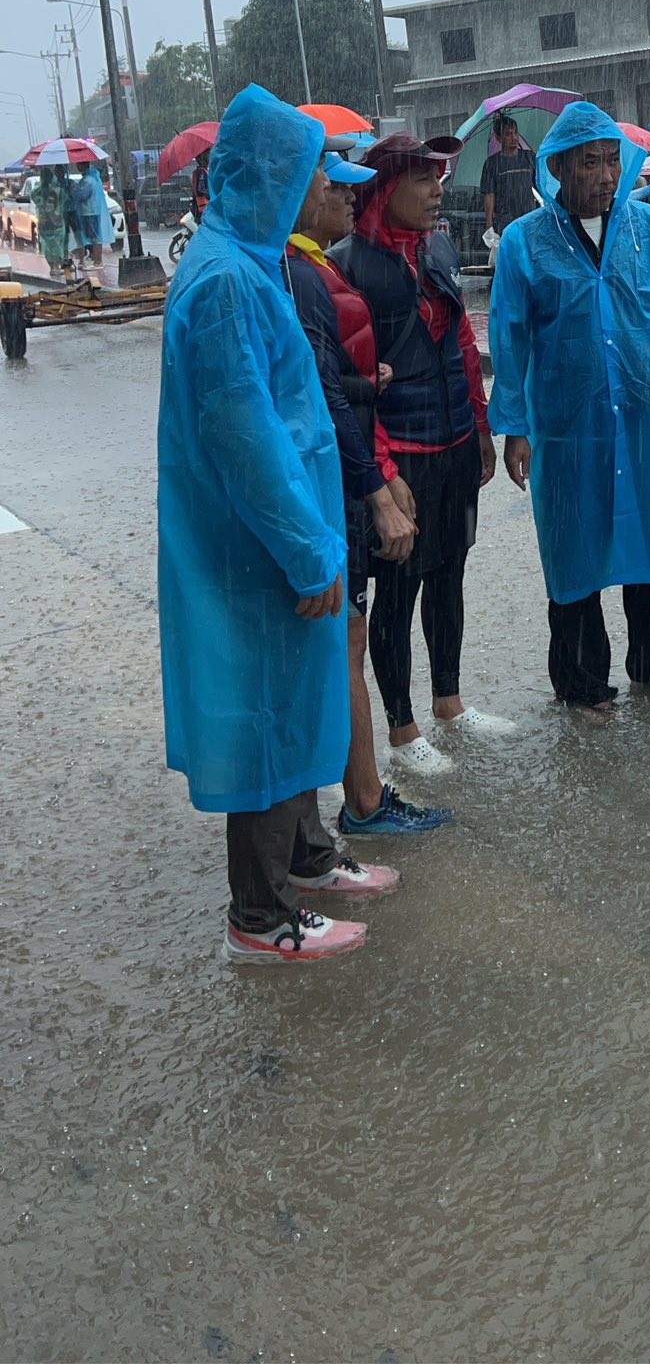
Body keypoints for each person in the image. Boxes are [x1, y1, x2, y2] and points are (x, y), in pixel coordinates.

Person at [158, 85, 398, 963]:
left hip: (287, 533)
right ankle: (258, 917)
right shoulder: (224, 280)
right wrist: (305, 552)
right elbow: (245, 435)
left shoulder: (246, 259)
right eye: (311, 174)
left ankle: (308, 858)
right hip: (259, 547)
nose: (323, 190)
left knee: (296, 702)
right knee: (263, 713)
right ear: (273, 175)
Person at [488, 101, 650, 712]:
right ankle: (583, 685)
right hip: (567, 431)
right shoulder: (524, 244)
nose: (605, 176)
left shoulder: (648, 230)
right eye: (590, 162)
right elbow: (508, 338)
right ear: (559, 168)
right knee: (573, 552)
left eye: (613, 161)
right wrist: (513, 426)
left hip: (644, 419)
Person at [330, 132, 511, 775]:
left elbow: (462, 339)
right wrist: (380, 472)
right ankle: (403, 731)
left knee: (449, 574)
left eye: (440, 177)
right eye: (423, 180)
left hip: (455, 442)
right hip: (399, 454)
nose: (439, 192)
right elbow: (353, 387)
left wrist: (482, 426)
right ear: (384, 188)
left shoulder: (437, 246)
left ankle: (450, 702)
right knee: (398, 590)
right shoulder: (347, 265)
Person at [287, 151, 452, 837]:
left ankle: (353, 800)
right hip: (345, 472)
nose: (349, 202)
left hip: (355, 461)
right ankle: (363, 799)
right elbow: (316, 394)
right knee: (352, 636)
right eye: (335, 190)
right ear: (298, 198)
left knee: (346, 638)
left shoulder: (316, 267)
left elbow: (326, 380)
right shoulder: (303, 275)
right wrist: (379, 477)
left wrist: (364, 386)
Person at [480, 115, 537, 254]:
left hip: (530, 219)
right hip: (505, 223)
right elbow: (489, 195)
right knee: (512, 259)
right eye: (508, 134)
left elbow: (540, 185)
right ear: (498, 138)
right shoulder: (492, 163)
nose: (513, 137)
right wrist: (489, 226)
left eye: (515, 132)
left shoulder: (529, 157)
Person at [67, 161, 116, 267]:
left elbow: (82, 195)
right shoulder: (90, 178)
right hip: (90, 211)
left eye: (78, 164)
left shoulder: (88, 180)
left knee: (94, 236)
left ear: (82, 165)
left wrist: (73, 191)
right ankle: (96, 259)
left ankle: (98, 260)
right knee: (93, 236)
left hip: (89, 212)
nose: (77, 166)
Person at [36, 166, 71, 277]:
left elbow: (33, 198)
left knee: (47, 246)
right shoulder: (59, 190)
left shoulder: (36, 191)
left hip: (44, 223)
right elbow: (66, 201)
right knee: (58, 246)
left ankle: (52, 267)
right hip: (57, 222)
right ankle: (57, 266)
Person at [191, 148, 211, 223]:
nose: (209, 157)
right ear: (201, 157)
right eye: (207, 154)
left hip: (203, 209)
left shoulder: (200, 172)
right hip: (205, 209)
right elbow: (202, 190)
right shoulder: (201, 173)